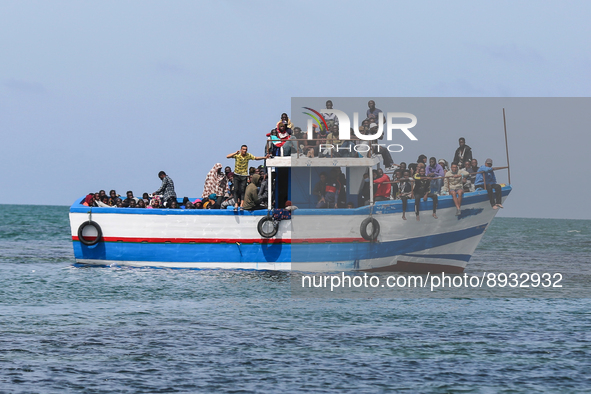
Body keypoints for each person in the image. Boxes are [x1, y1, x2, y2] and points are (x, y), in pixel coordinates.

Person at [227, 145, 268, 210]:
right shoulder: (237, 155)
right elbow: (228, 156)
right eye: (243, 149)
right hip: (237, 174)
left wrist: (264, 157)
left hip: (244, 175)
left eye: (246, 149)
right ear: (241, 149)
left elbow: (256, 158)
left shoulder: (248, 155)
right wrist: (235, 152)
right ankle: (236, 204)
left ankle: (242, 205)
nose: (245, 151)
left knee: (243, 190)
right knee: (236, 190)